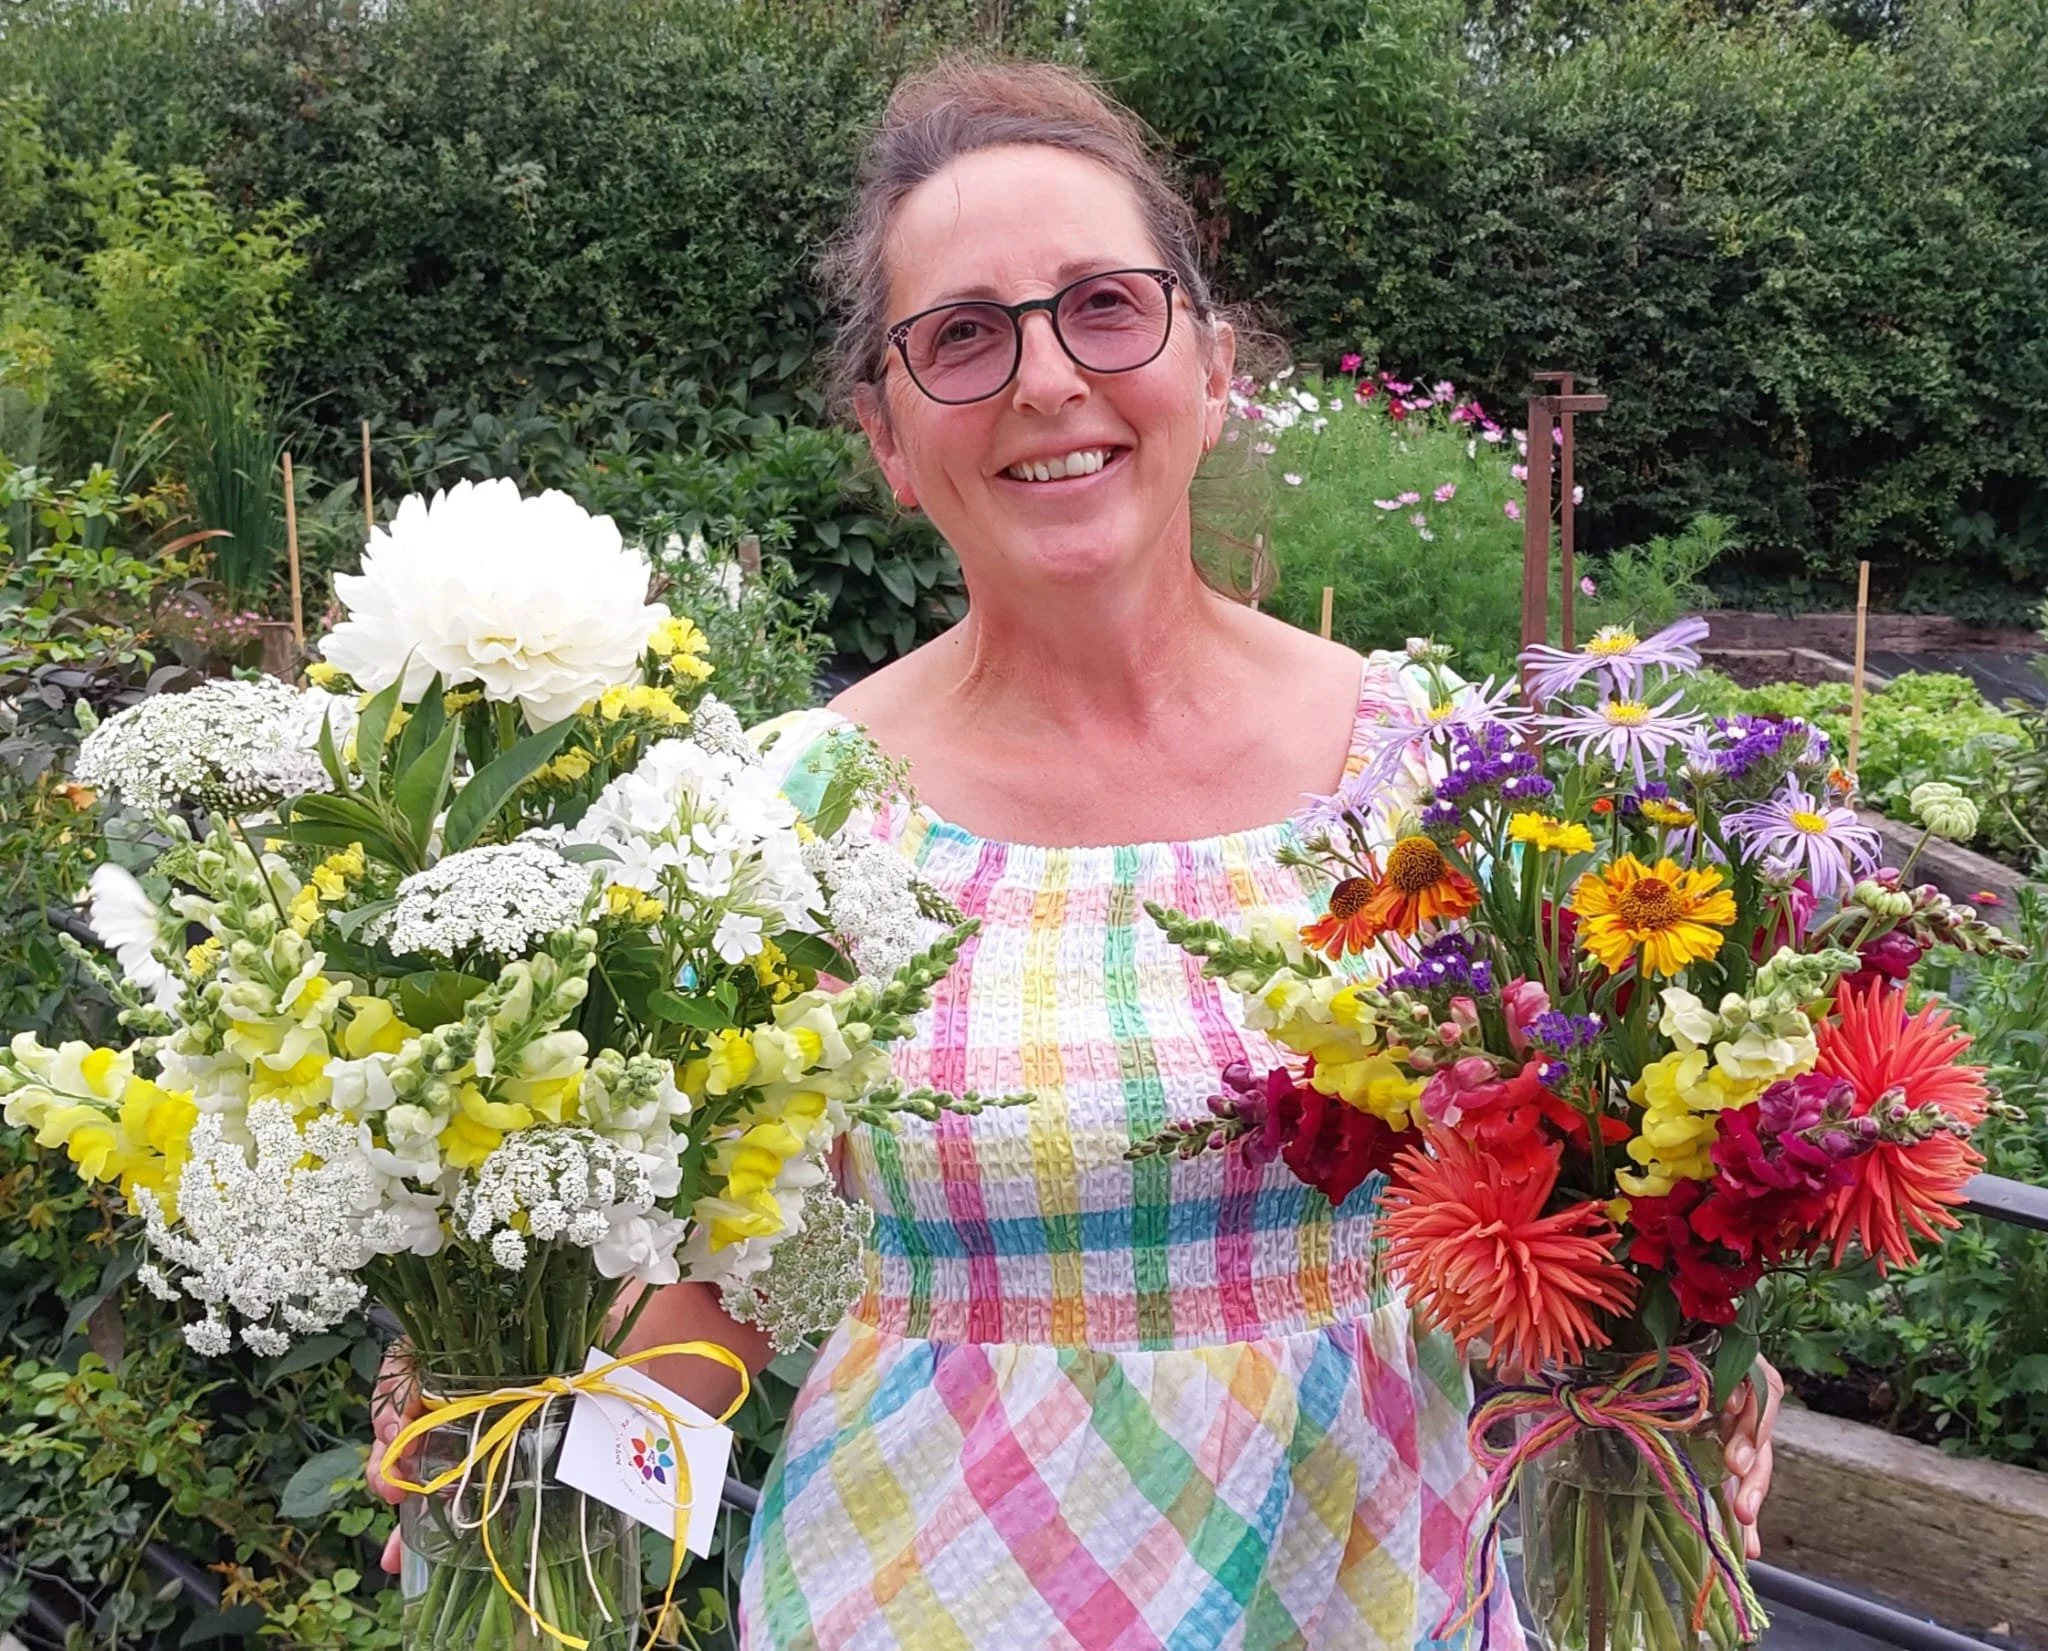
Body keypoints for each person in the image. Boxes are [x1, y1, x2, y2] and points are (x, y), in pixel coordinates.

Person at [373, 56, 1782, 1649]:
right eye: (962, 336)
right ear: (889, 435)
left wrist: (1681, 1362)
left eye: (1105, 306)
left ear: (1214, 365)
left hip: (1378, 1597)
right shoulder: (791, 818)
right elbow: (737, 1290)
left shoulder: (1436, 778)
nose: (1046, 378)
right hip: (913, 1602)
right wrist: (529, 1477)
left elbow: (1584, 1203)